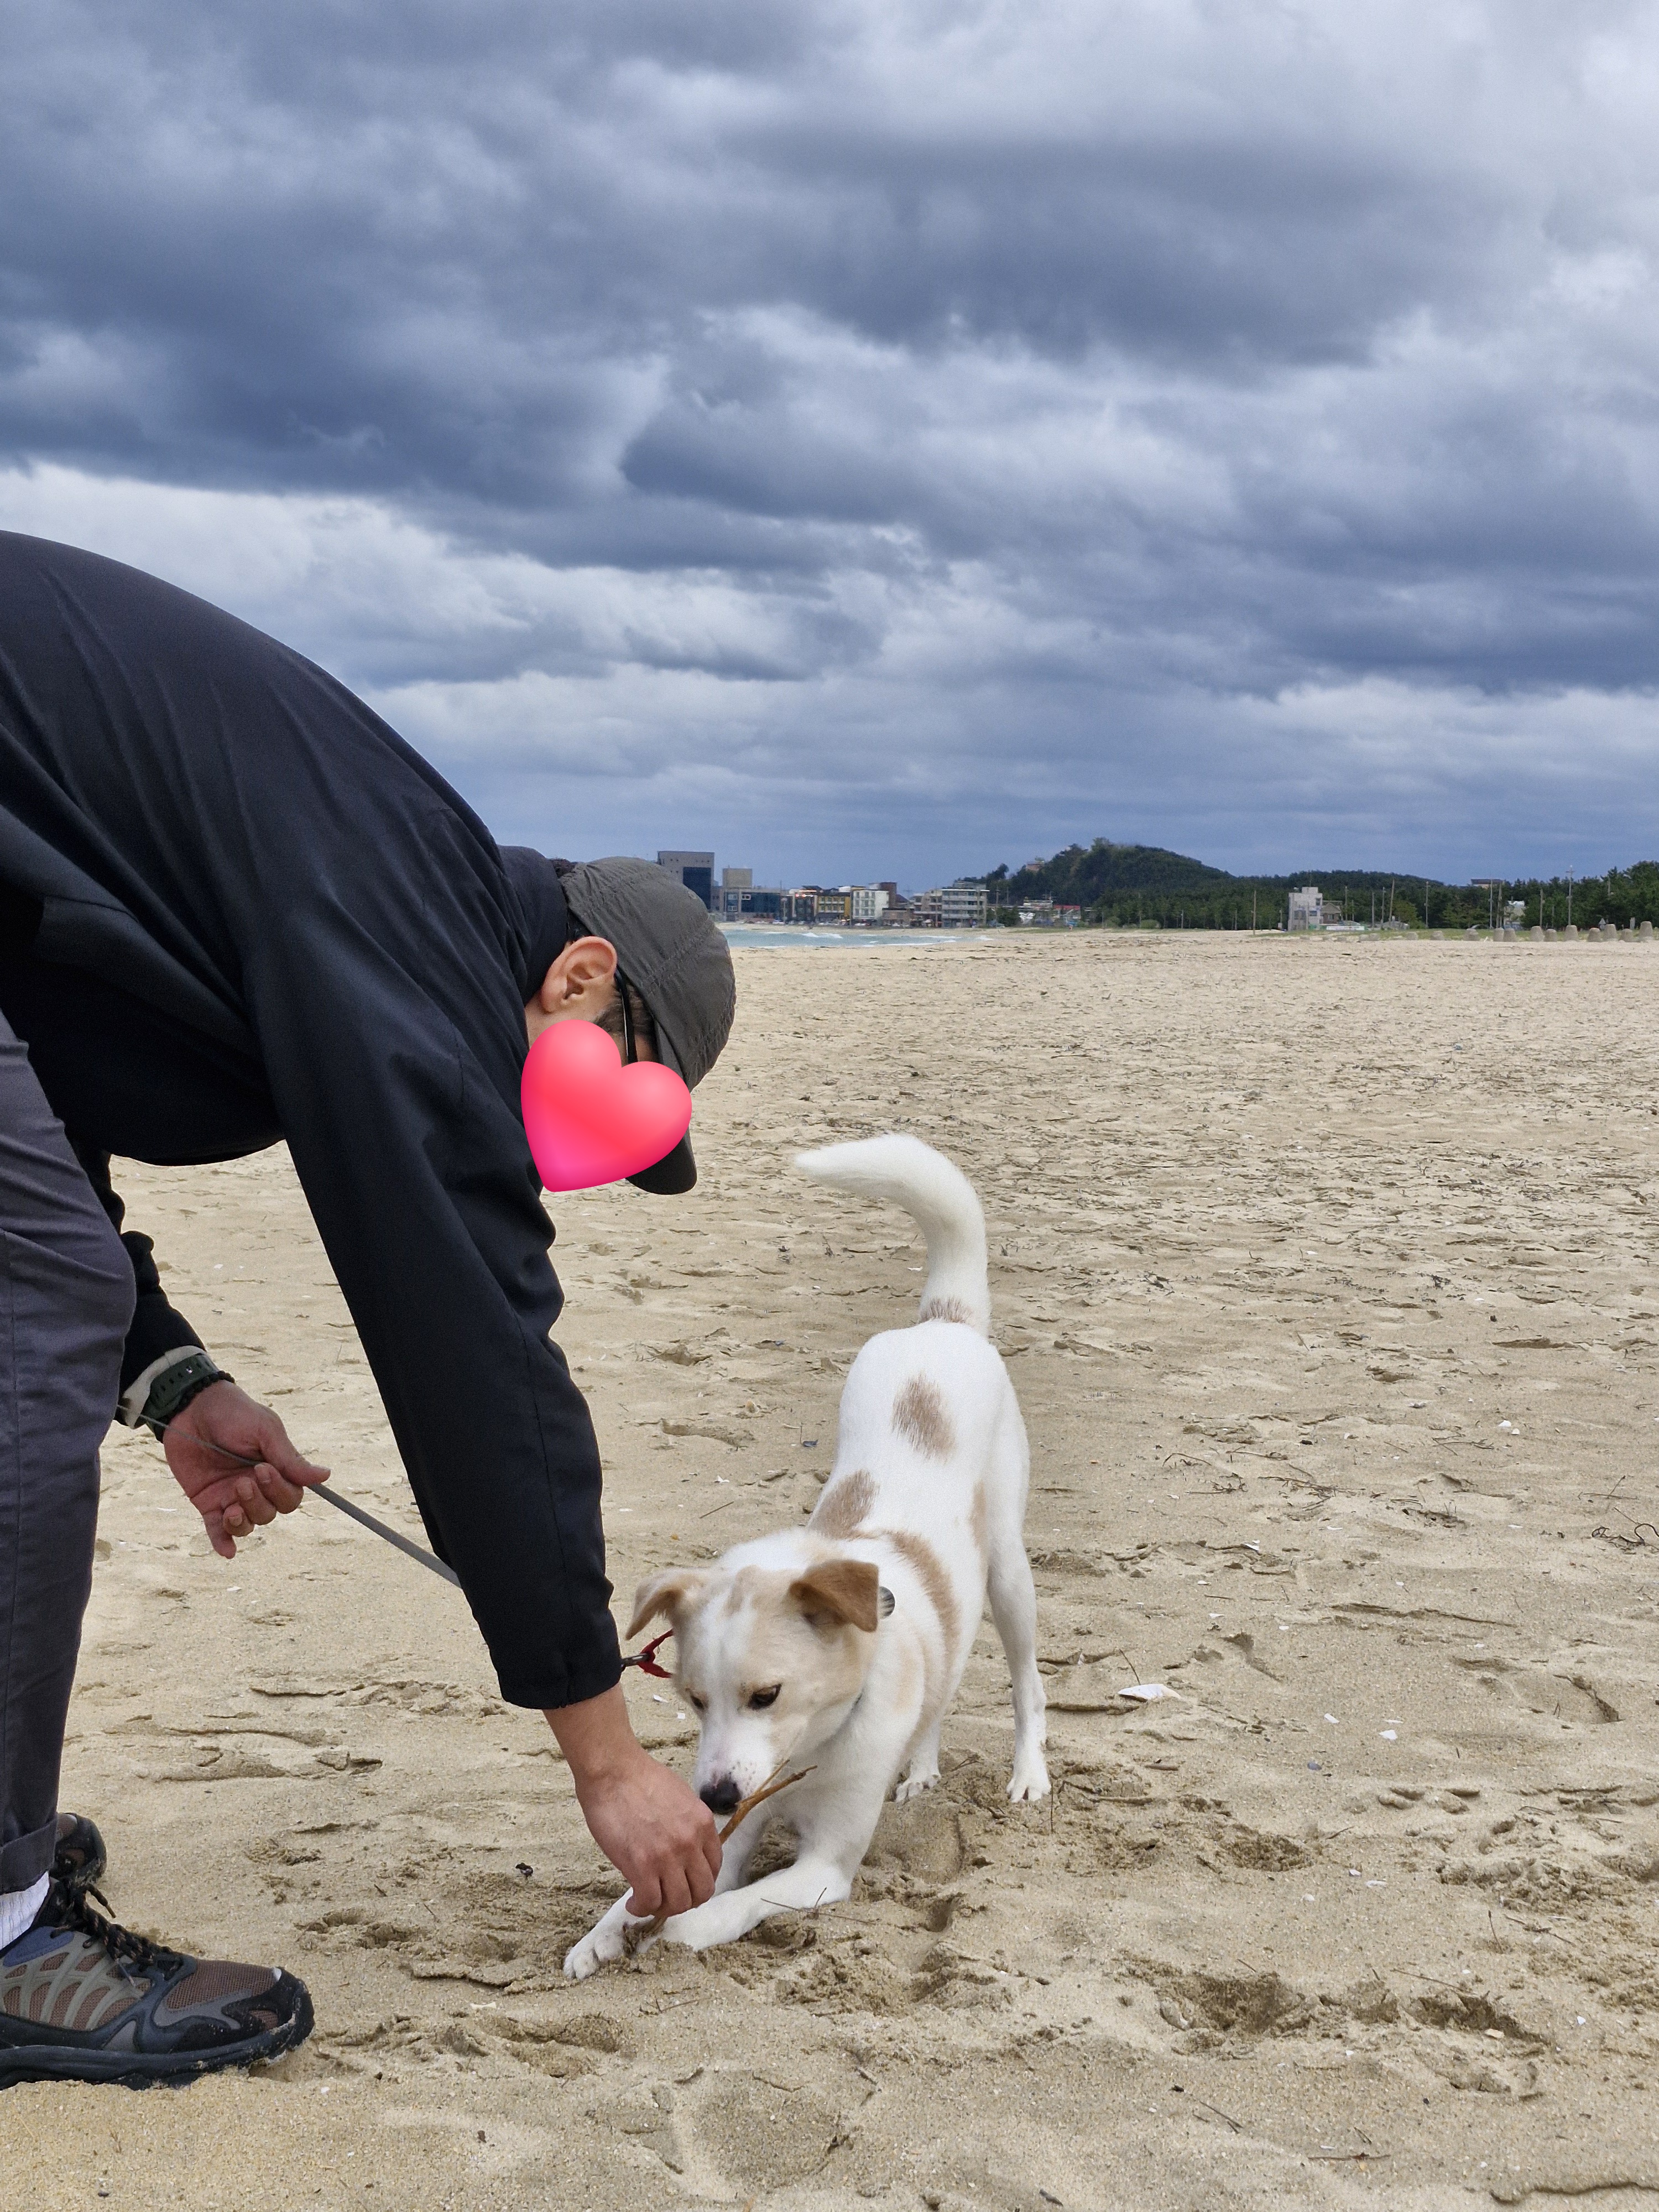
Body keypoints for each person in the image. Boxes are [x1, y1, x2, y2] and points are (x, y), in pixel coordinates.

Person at [0, 530, 733, 2087]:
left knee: (51, 1287)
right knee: (38, 1305)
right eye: (628, 1098)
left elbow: (44, 1109)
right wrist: (605, 1754)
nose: (588, 1153)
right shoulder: (421, 925)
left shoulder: (380, 876)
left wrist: (177, 1379)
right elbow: (468, 1335)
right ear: (582, 978)